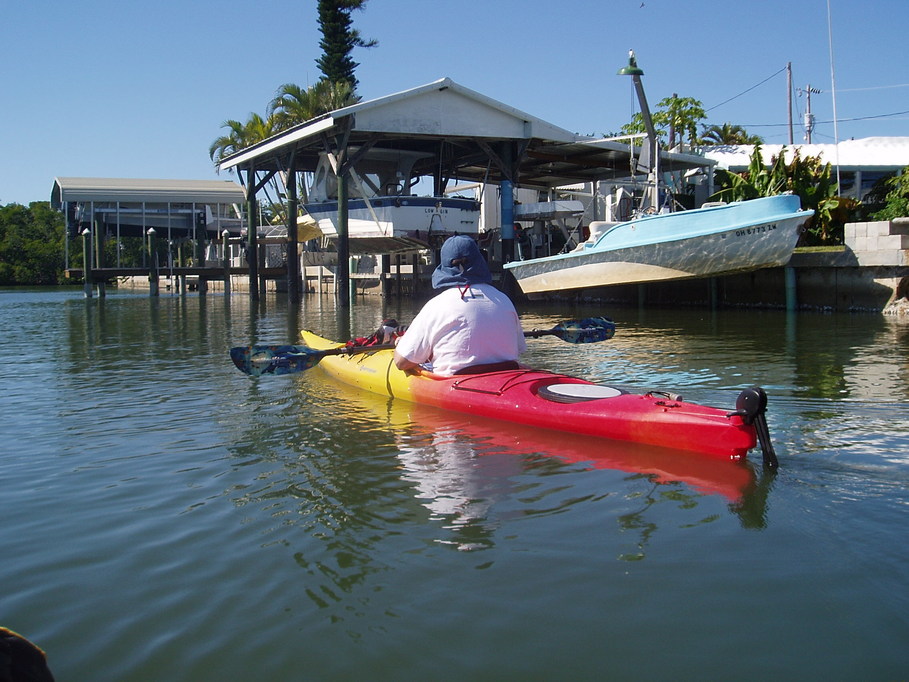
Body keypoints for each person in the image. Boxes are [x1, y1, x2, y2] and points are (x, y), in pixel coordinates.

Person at [394, 235, 526, 376]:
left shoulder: (436, 305)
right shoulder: (503, 300)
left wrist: (400, 344)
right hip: (507, 380)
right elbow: (519, 348)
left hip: (455, 386)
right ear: (479, 262)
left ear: (445, 267)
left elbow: (402, 362)